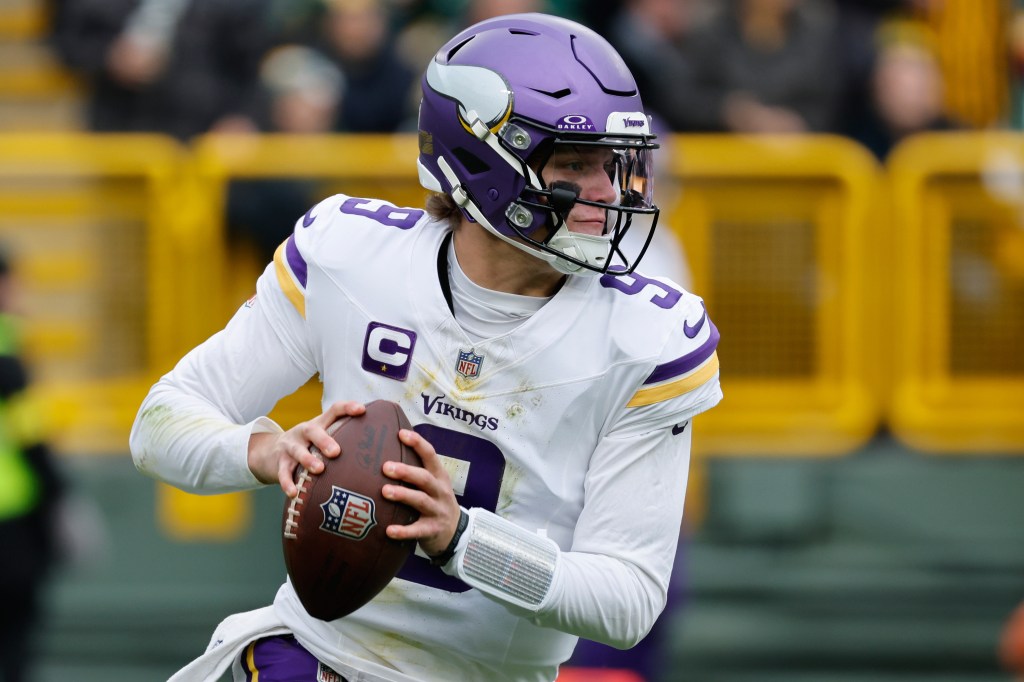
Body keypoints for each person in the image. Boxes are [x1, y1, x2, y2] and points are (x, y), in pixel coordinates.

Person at [130, 12, 722, 682]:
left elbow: (627, 600)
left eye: (612, 165)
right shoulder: (351, 257)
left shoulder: (645, 336)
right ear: (482, 161)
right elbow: (160, 423)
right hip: (321, 655)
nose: (607, 192)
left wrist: (463, 539)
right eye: (575, 164)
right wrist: (265, 451)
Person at [0, 250, 66, 682]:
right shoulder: (8, 357)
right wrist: (59, 496)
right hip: (11, 522)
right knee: (15, 646)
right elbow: (31, 439)